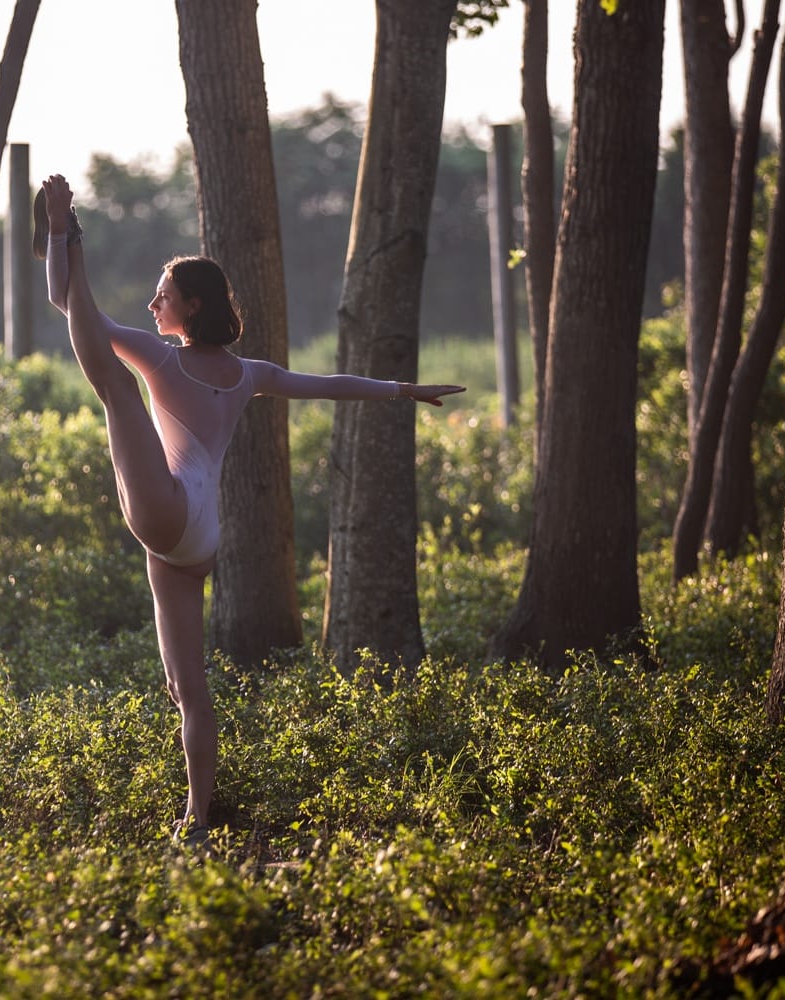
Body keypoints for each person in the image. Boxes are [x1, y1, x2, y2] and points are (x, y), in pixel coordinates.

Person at [37, 173, 464, 847]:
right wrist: (403, 390)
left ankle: (76, 234)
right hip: (197, 540)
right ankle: (197, 818)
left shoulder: (159, 356)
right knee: (187, 689)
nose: (153, 305)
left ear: (192, 306)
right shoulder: (251, 372)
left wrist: (63, 233)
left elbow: (67, 303)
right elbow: (326, 385)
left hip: (170, 510)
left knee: (116, 390)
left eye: (164, 296)